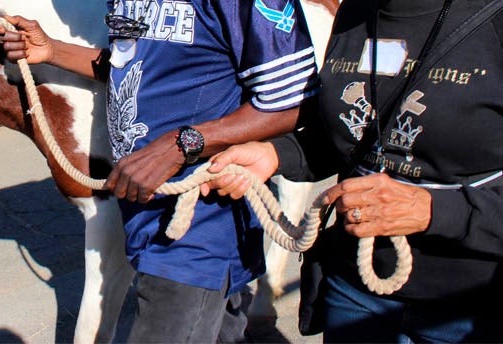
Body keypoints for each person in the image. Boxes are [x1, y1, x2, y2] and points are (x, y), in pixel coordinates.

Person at [0, 0, 320, 341]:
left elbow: (295, 102)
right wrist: (52, 50)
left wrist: (184, 144)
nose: (75, 25)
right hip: (145, 220)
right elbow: (133, 63)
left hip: (199, 229)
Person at [202, 0, 503, 341]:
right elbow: (350, 134)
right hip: (355, 289)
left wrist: (431, 210)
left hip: (471, 307)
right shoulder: (356, 12)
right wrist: (273, 154)